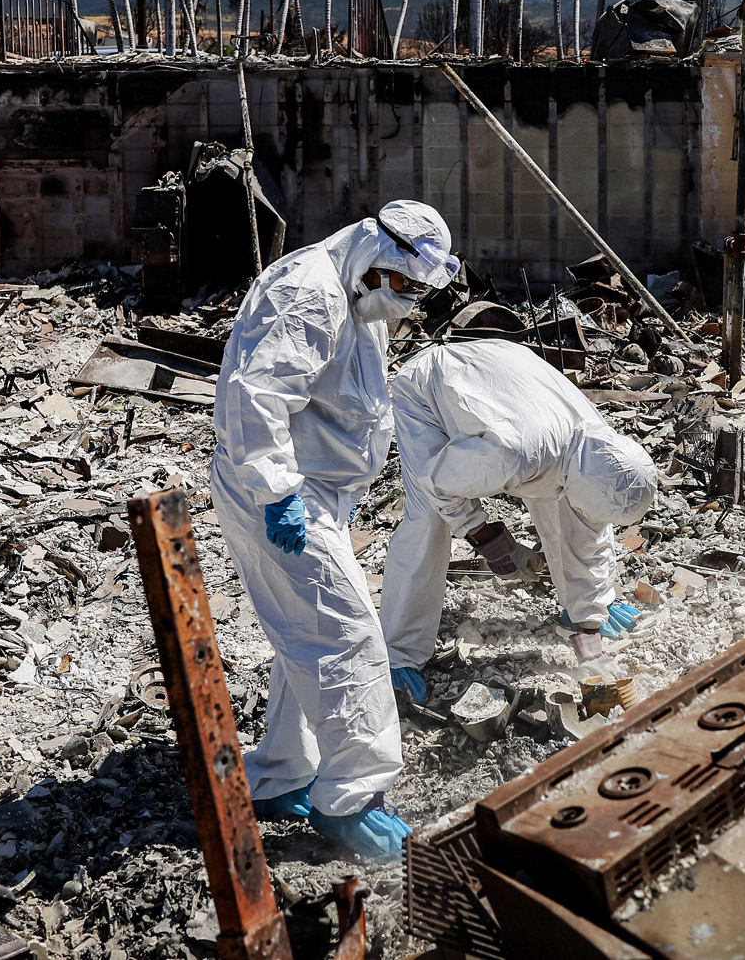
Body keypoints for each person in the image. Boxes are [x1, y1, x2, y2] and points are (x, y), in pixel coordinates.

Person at [211, 199, 458, 862]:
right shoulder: (309, 290)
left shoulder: (356, 290)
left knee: (306, 636)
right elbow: (255, 394)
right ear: (378, 253)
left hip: (317, 489)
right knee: (347, 636)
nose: (405, 302)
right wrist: (278, 493)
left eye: (417, 293)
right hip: (284, 492)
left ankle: (280, 775)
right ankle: (352, 799)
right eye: (404, 285)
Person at [381, 338, 657, 702]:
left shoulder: (599, 447)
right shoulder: (513, 455)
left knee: (566, 508)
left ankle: (579, 610)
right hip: (429, 389)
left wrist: (589, 617)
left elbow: (585, 529)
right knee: (428, 520)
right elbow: (440, 484)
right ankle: (395, 653)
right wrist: (493, 543)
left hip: (505, 376)